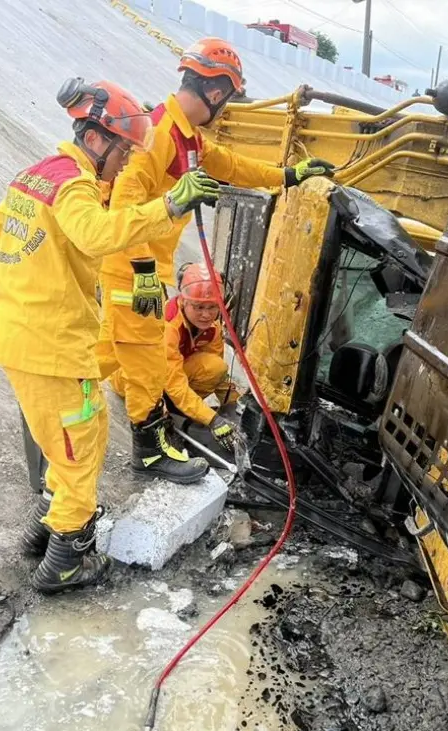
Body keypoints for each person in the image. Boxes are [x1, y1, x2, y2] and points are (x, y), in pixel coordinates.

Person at [0, 78, 220, 594]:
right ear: (97, 140)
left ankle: (42, 533)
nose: (127, 164)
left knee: (57, 443)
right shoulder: (76, 184)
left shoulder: (35, 175)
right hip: (57, 344)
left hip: (17, 336)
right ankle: (66, 562)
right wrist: (171, 206)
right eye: (125, 153)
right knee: (82, 448)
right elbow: (95, 233)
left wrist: (43, 270)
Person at [97, 37, 336, 484]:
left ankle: (66, 399)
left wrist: (286, 176)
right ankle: (146, 452)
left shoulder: (185, 136)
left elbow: (231, 165)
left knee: (112, 357)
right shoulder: (156, 135)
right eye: (227, 96)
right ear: (215, 90)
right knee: (147, 363)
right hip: (132, 271)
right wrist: (145, 273)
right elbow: (123, 208)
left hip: (144, 270)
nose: (226, 106)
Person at [110, 262, 237, 450]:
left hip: (169, 377)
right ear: (184, 300)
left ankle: (178, 411)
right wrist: (212, 419)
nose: (206, 315)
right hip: (135, 379)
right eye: (199, 307)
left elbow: (217, 373)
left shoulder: (213, 327)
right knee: (157, 384)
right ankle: (165, 418)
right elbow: (175, 384)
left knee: (215, 366)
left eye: (212, 307)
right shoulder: (168, 327)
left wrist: (231, 403)